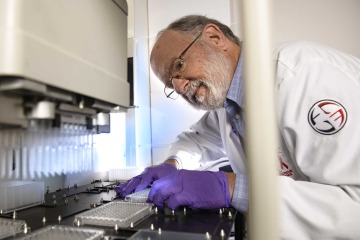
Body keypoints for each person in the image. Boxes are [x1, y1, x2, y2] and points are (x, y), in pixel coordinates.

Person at [115, 15, 360, 239]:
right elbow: (198, 139)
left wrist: (233, 187)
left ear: (214, 38)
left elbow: (353, 207)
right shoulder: (228, 103)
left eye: (179, 66)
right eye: (171, 84)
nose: (179, 87)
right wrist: (172, 164)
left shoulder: (302, 76)